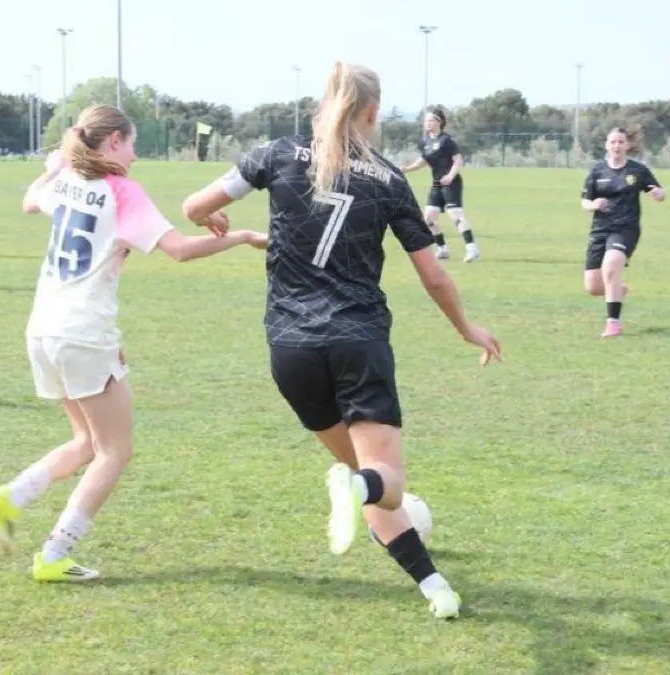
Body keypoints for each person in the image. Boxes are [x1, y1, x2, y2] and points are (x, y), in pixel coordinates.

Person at [179, 62, 502, 620]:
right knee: (384, 481)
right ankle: (362, 493)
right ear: (372, 113)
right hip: (357, 339)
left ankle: (435, 588)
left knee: (367, 478)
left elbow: (194, 206)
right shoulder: (389, 179)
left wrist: (222, 223)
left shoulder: (278, 153)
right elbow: (433, 275)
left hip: (290, 349)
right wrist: (466, 328)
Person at [0, 104, 266, 582]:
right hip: (82, 332)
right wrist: (242, 237)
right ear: (113, 141)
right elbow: (179, 250)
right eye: (131, 144)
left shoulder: (67, 181)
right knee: (116, 451)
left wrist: (52, 168)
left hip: (44, 330)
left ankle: (10, 498)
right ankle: (54, 554)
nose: (135, 156)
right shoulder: (121, 191)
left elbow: (31, 200)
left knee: (88, 442)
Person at [580, 127, 666, 338]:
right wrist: (593, 205)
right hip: (600, 230)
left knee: (610, 266)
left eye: (620, 142)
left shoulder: (637, 171)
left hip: (626, 228)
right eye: (613, 142)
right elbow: (584, 201)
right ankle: (619, 289)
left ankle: (613, 324)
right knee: (593, 287)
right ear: (607, 146)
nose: (616, 146)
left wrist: (659, 193)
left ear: (627, 145)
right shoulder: (597, 171)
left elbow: (659, 191)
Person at [402, 107, 480, 262]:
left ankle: (472, 249)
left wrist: (450, 176)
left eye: (430, 120)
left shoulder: (447, 140)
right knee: (428, 218)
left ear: (439, 122)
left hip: (451, 183)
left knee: (455, 215)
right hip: (437, 184)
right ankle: (442, 249)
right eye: (426, 120)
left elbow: (458, 161)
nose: (427, 123)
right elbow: (424, 161)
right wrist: (406, 169)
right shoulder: (426, 141)